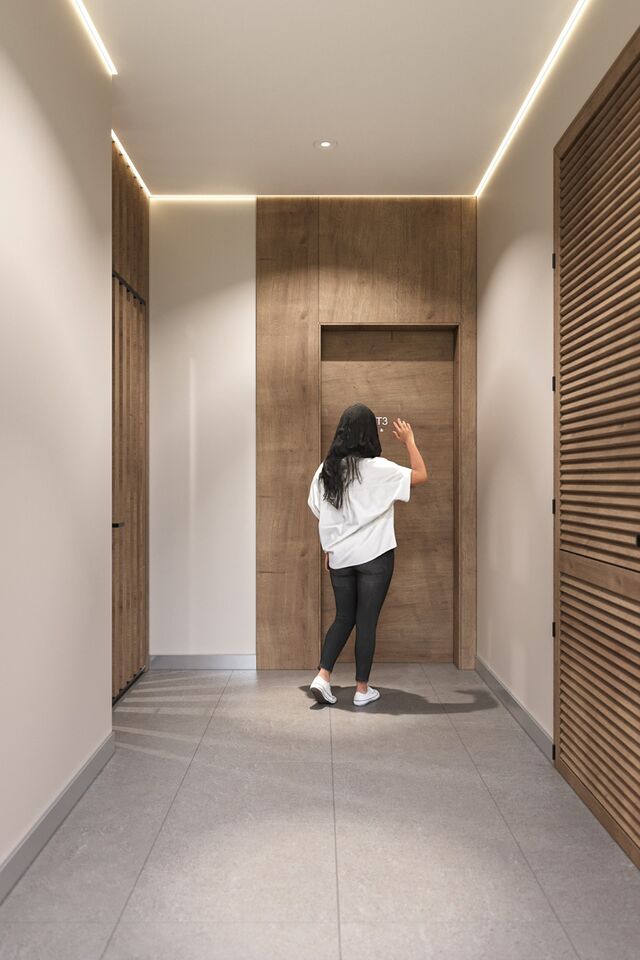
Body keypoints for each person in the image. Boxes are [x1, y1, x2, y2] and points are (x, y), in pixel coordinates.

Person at [307, 403, 428, 706]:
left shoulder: (326, 470)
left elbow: (318, 509)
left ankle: (322, 676)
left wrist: (331, 547)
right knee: (366, 621)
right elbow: (420, 475)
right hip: (375, 557)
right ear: (370, 433)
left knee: (343, 617)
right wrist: (409, 441)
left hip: (340, 557)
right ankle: (362, 690)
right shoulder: (379, 468)